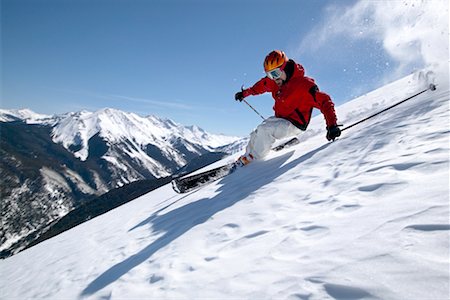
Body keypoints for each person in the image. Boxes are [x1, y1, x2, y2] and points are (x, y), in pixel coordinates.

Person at [234, 50, 341, 165]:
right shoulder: (275, 81)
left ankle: (253, 160)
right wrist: (245, 93)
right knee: (258, 131)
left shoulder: (303, 85)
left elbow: (325, 101)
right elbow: (261, 85)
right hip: (281, 119)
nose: (273, 78)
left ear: (285, 68)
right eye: (269, 75)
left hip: (295, 124)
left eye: (275, 73)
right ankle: (247, 156)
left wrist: (332, 125)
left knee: (266, 130)